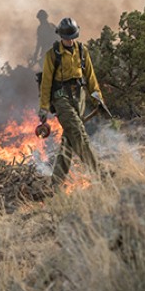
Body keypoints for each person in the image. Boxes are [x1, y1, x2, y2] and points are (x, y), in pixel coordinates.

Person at [38, 17, 103, 186]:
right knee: (78, 132)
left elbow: (90, 76)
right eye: (67, 37)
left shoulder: (82, 51)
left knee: (68, 141)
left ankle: (55, 183)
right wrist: (44, 108)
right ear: (60, 36)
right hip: (61, 98)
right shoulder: (52, 55)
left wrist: (97, 97)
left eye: (73, 36)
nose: (70, 40)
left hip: (79, 97)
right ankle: (100, 173)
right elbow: (46, 83)